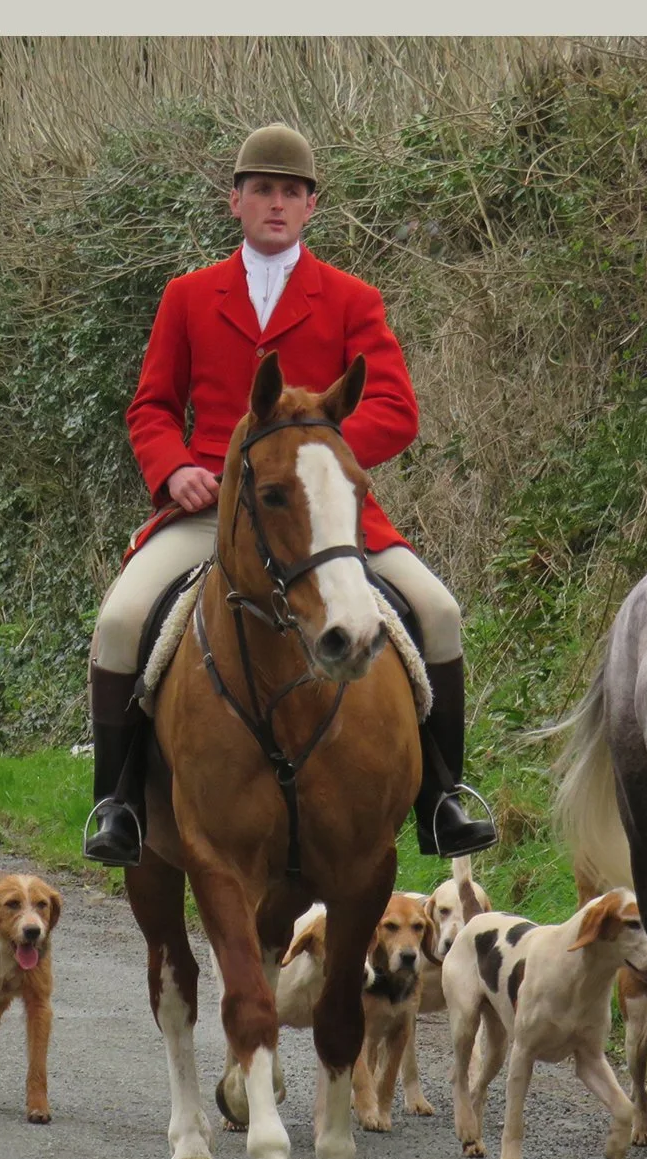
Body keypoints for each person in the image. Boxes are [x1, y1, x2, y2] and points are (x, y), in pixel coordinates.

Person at [83, 123, 497, 866]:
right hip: (210, 511)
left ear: (312, 207)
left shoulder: (350, 299)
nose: (277, 203)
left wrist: (317, 469)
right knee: (118, 623)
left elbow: (397, 409)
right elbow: (150, 407)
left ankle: (442, 798)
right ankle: (115, 803)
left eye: (292, 192)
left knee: (437, 613)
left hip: (326, 518)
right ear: (235, 201)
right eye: (263, 190)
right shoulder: (186, 297)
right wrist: (174, 468)